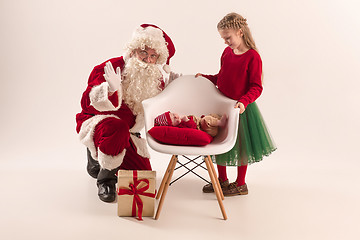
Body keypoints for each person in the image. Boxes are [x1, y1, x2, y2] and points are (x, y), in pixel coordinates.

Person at [76, 24, 177, 202]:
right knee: (118, 126)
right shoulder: (110, 67)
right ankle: (106, 178)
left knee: (145, 184)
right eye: (144, 52)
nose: (147, 59)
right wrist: (110, 90)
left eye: (153, 56)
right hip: (101, 124)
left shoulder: (156, 79)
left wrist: (168, 94)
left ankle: (103, 159)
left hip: (129, 134)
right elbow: (86, 103)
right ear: (134, 50)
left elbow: (155, 115)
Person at [195, 13, 276, 196]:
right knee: (220, 141)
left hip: (240, 109)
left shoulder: (252, 57)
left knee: (241, 146)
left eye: (228, 37)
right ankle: (222, 180)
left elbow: (256, 87)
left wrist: (243, 102)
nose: (225, 42)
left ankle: (240, 184)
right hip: (222, 106)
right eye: (223, 38)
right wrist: (206, 78)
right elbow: (221, 77)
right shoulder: (226, 53)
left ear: (240, 32)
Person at [154, 111, 227, 137]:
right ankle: (220, 123)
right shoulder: (180, 127)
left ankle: (218, 122)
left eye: (173, 114)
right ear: (172, 126)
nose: (176, 116)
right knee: (205, 120)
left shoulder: (181, 121)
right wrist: (187, 121)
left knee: (211, 115)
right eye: (173, 119)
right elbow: (193, 127)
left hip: (210, 126)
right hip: (207, 130)